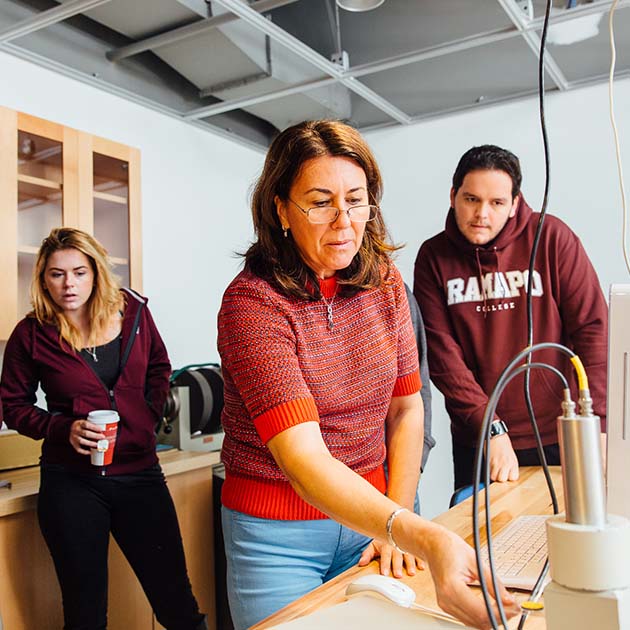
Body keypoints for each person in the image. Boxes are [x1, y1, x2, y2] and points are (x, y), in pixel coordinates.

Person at [217, 121, 518, 630]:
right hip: (277, 541)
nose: (344, 221)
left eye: (356, 200)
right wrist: (419, 533)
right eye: (320, 201)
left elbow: (407, 408)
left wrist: (394, 523)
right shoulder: (252, 304)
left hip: (374, 520)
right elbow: (305, 463)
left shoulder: (384, 282)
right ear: (280, 209)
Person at [0, 228, 206, 630]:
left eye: (79, 271)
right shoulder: (31, 334)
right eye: (56, 274)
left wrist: (146, 416)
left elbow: (159, 368)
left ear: (96, 272)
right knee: (85, 615)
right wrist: (62, 428)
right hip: (71, 483)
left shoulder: (133, 314)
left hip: (140, 476)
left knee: (177, 604)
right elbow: (13, 406)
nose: (68, 284)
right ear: (43, 278)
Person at [413, 145, 608, 491]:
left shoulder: (551, 238)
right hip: (482, 438)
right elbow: (441, 356)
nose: (481, 214)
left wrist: (596, 425)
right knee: (487, 542)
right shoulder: (433, 257)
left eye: (497, 203)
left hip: (560, 431)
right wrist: (490, 426)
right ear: (453, 195)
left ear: (515, 203)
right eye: (471, 199)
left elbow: (593, 331)